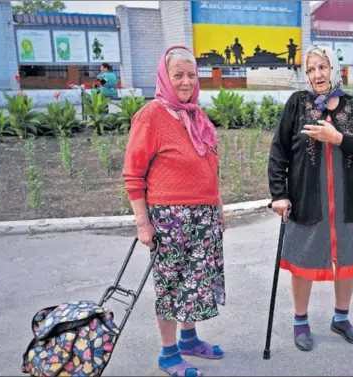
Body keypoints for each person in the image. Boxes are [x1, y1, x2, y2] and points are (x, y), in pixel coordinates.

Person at [267, 45, 353, 352]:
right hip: (307, 200)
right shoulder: (297, 103)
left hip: (349, 202)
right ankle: (300, 320)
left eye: (322, 67)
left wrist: (340, 138)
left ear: (334, 69)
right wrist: (279, 194)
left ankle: (341, 318)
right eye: (311, 69)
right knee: (303, 261)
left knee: (348, 260)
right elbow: (279, 150)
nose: (317, 74)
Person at [122, 45, 226, 377]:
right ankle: (168, 354)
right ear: (165, 77)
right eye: (177, 75)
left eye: (191, 75)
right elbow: (133, 175)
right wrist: (143, 223)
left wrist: (218, 207)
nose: (185, 82)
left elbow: (210, 167)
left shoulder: (197, 114)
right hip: (171, 219)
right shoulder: (150, 115)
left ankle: (189, 340)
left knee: (195, 284)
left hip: (204, 216)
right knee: (171, 286)